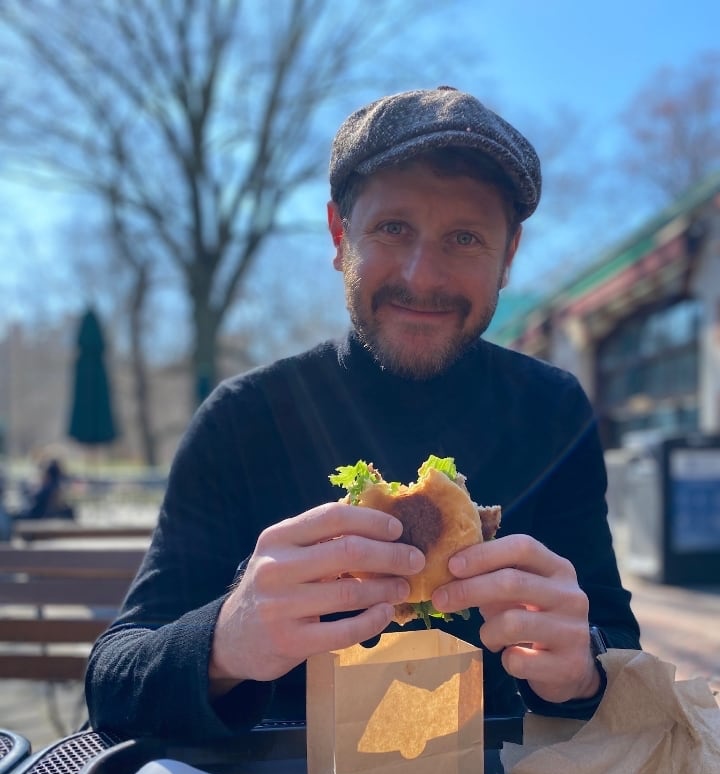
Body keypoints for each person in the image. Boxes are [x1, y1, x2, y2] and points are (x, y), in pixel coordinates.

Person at [85, 86, 640, 747]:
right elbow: (112, 685)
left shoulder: (552, 411)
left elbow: (615, 653)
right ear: (338, 235)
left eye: (464, 238)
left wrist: (581, 670)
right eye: (392, 228)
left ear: (509, 256)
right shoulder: (243, 420)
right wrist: (227, 642)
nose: (421, 274)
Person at [13, 456, 75, 521]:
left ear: (48, 475)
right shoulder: (58, 487)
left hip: (37, 519)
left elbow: (36, 504)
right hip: (43, 518)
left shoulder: (48, 489)